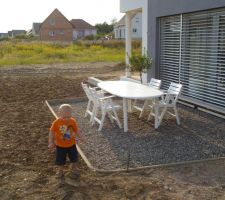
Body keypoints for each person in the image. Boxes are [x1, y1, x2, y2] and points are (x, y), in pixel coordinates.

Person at [48, 104, 84, 182]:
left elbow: (76, 130)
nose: (67, 119)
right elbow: (51, 131)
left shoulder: (72, 121)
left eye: (68, 116)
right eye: (64, 117)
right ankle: (60, 170)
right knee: (60, 160)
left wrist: (81, 137)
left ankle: (73, 168)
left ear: (71, 114)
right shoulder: (56, 122)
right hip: (60, 146)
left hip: (72, 145)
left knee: (74, 158)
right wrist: (51, 142)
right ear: (59, 113)